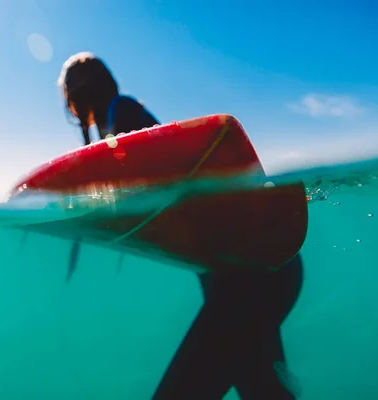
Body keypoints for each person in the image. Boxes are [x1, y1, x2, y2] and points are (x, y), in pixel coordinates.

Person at [57, 52, 304, 399]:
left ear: (73, 103)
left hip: (248, 281)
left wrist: (82, 207)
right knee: (264, 392)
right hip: (253, 274)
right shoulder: (124, 115)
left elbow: (133, 186)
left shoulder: (122, 111)